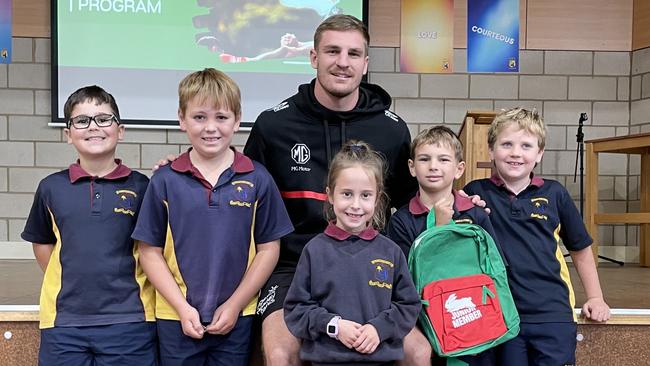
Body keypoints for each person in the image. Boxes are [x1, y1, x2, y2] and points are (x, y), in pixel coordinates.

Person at [243, 14, 418, 366]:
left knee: (417, 353)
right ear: (313, 57)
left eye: (354, 54)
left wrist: (460, 200)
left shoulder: (392, 130)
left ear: (366, 63)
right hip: (291, 266)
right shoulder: (273, 126)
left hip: (369, 263)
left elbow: (414, 202)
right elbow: (243, 191)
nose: (342, 62)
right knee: (280, 352)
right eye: (332, 51)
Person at [132, 68, 294, 366]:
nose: (211, 128)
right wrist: (182, 308)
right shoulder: (164, 181)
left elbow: (269, 249)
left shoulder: (258, 179)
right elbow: (149, 251)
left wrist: (234, 306)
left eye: (221, 117)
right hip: (175, 316)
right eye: (199, 117)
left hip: (237, 316)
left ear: (237, 119)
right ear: (182, 119)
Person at [463, 107, 611, 366]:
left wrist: (596, 296)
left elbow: (580, 249)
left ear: (539, 153)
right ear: (491, 150)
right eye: (506, 144)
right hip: (502, 315)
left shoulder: (555, 194)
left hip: (552, 314)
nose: (515, 153)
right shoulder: (475, 192)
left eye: (526, 145)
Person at [21, 85, 156, 366]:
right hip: (63, 324)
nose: (94, 127)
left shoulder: (143, 187)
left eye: (104, 118)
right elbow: (43, 244)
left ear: (120, 130)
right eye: (82, 121)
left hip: (129, 321)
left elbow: (152, 249)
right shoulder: (51, 188)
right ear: (68, 134)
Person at [284, 141, 421, 366]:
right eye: (347, 194)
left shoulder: (390, 251)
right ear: (330, 195)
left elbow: (408, 305)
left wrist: (380, 328)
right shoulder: (315, 250)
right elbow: (295, 310)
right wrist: (334, 326)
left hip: (379, 360)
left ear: (377, 200)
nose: (356, 205)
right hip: (327, 361)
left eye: (365, 195)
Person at [386, 126, 502, 366]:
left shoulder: (476, 215)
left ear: (459, 168)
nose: (433, 166)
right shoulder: (401, 221)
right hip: (425, 321)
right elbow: (407, 279)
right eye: (424, 159)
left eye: (443, 159)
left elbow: (493, 269)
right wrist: (440, 228)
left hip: (473, 320)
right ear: (411, 167)